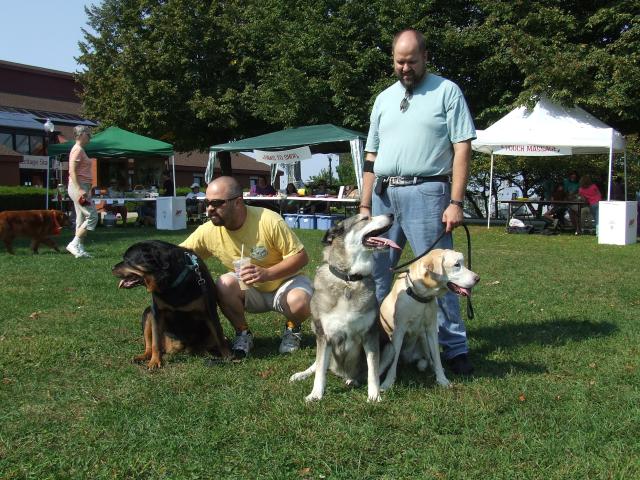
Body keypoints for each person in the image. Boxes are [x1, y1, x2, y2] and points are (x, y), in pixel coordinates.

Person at [360, 28, 476, 375]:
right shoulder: (383, 99)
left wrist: (456, 201)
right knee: (378, 274)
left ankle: (454, 347)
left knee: (441, 273)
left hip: (428, 192)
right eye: (399, 62)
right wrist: (365, 205)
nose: (405, 68)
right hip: (383, 194)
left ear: (425, 57)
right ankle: (378, 343)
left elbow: (462, 147)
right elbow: (371, 154)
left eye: (411, 61)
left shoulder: (447, 91)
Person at [180, 176, 313, 359]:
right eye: (206, 203)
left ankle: (292, 327)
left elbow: (301, 257)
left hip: (286, 283)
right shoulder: (208, 231)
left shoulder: (268, 220)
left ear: (238, 202)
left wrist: (267, 273)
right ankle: (243, 333)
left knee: (300, 301)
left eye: (217, 203)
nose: (209, 209)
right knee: (224, 284)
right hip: (249, 287)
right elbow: (178, 255)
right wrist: (147, 263)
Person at [66, 125, 98, 258]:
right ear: (80, 135)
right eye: (87, 134)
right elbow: (72, 171)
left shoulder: (80, 149)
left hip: (82, 187)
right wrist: (79, 189)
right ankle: (74, 244)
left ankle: (80, 248)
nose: (90, 136)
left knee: (81, 218)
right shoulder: (77, 149)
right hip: (78, 188)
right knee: (92, 216)